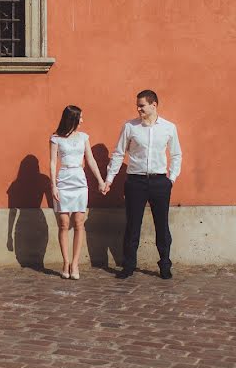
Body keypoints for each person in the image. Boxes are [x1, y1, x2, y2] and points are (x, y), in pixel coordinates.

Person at [102, 90, 182, 280]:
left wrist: (171, 179)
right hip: (135, 181)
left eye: (142, 105)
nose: (138, 109)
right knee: (132, 225)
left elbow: (176, 154)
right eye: (137, 105)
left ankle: (164, 265)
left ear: (154, 105)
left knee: (162, 225)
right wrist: (109, 179)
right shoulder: (130, 127)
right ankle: (128, 266)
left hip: (160, 182)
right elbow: (119, 153)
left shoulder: (169, 128)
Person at [50, 105, 106, 280]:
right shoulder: (55, 138)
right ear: (72, 119)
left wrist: (100, 180)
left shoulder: (83, 137)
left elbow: (90, 159)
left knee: (79, 222)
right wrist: (53, 186)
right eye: (80, 117)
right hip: (63, 181)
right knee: (64, 223)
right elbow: (52, 163)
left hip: (80, 182)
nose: (82, 120)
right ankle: (65, 262)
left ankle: (75, 263)